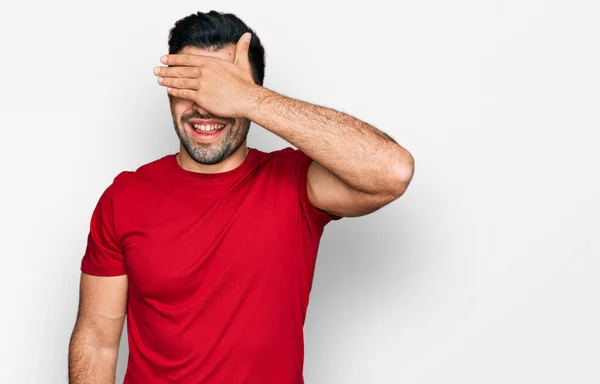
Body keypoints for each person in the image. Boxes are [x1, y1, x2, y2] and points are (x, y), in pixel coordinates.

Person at [68, 10, 415, 384]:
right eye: (191, 87)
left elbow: (392, 172)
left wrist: (247, 97)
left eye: (220, 90)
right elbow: (97, 339)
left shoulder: (297, 182)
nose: (205, 107)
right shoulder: (125, 197)